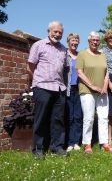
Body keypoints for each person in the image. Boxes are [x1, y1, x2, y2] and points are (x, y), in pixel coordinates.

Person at [27, 21, 69, 160]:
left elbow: (65, 69)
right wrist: (38, 80)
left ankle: (57, 147)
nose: (57, 34)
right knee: (41, 119)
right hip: (43, 87)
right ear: (48, 31)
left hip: (59, 88)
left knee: (58, 120)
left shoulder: (63, 49)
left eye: (60, 32)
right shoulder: (38, 45)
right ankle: (38, 149)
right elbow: (30, 67)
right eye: (55, 32)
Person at [76, 31, 112, 154]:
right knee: (88, 118)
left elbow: (106, 72)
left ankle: (104, 143)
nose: (95, 42)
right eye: (93, 40)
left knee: (103, 117)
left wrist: (104, 86)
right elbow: (80, 73)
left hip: (102, 91)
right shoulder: (82, 54)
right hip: (87, 91)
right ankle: (87, 144)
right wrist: (93, 86)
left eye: (97, 40)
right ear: (89, 41)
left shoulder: (102, 55)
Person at [64, 33, 83, 152]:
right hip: (67, 89)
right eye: (72, 40)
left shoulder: (81, 56)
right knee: (69, 116)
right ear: (68, 42)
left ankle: (77, 142)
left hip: (80, 89)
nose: (74, 42)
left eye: (76, 40)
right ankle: (70, 142)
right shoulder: (64, 55)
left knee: (78, 116)